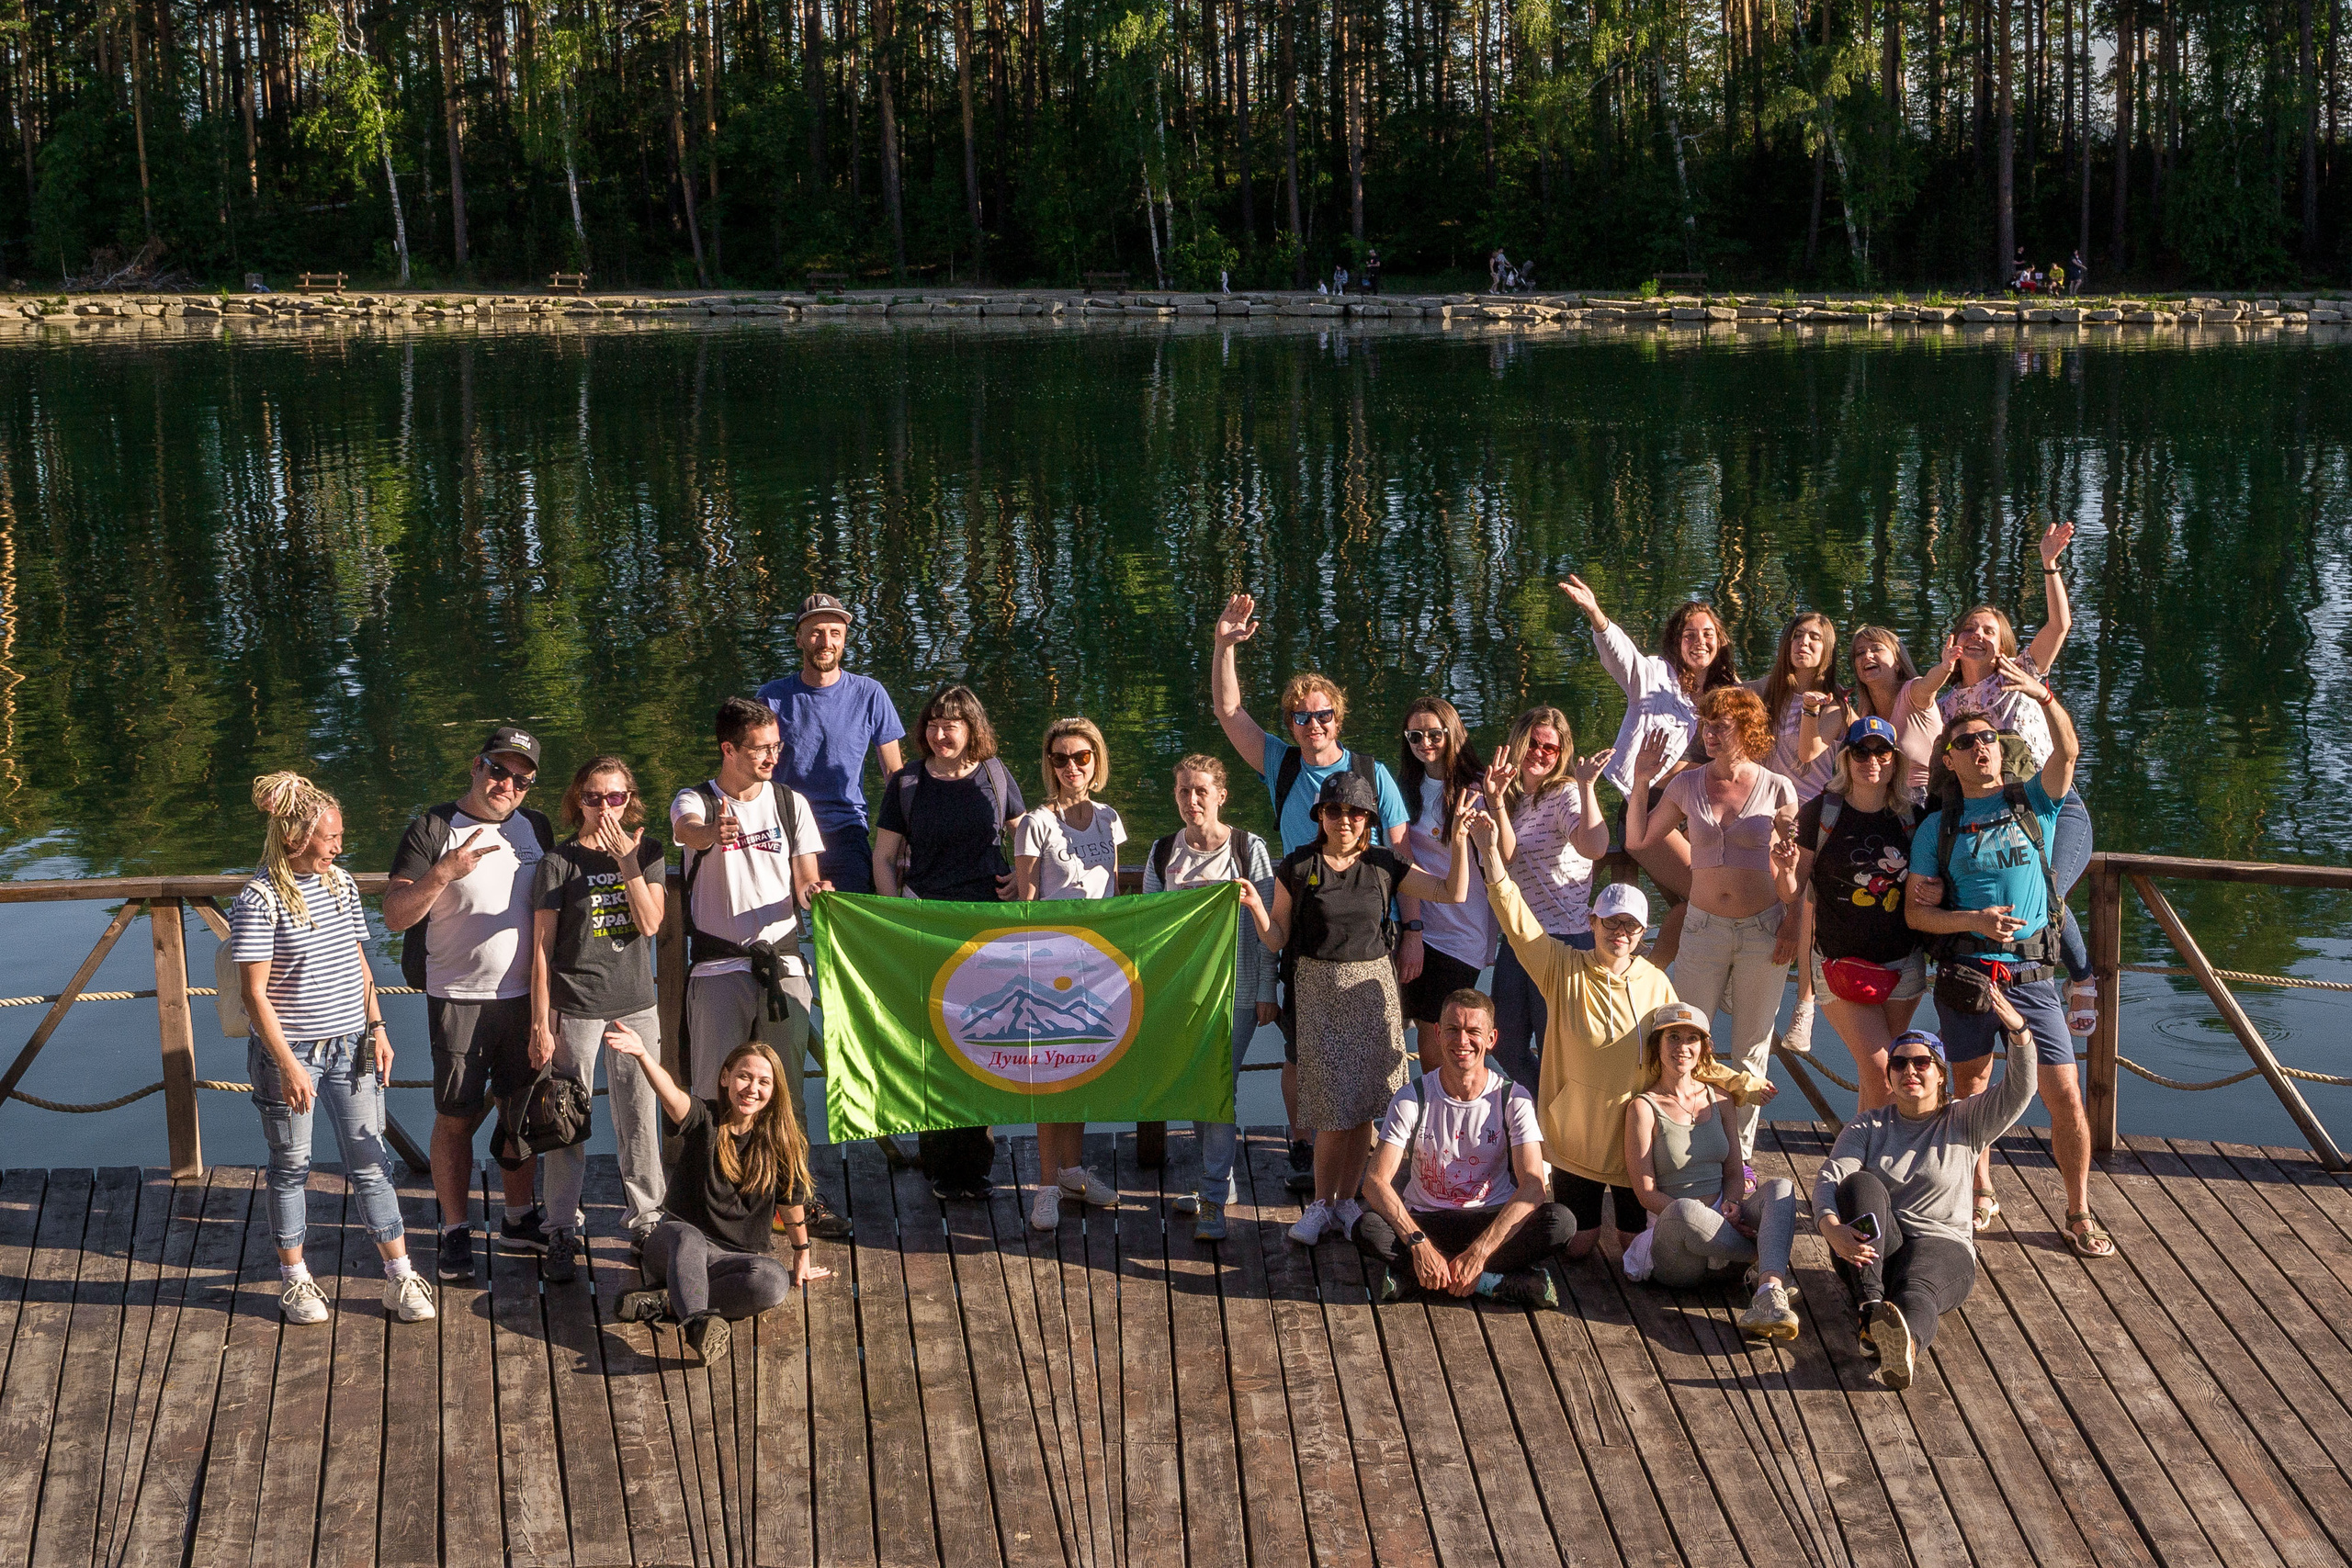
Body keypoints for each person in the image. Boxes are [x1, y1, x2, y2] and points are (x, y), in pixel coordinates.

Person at [1907, 683, 2114, 1257]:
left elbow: (2068, 753)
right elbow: (1916, 913)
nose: (1981, 748)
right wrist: (1971, 918)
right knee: (1972, 1092)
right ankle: (1981, 1191)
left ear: (2000, 748)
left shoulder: (2034, 804)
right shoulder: (1936, 829)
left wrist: (2043, 696)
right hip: (1967, 979)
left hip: (2033, 981)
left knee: (2066, 1097)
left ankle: (2077, 1210)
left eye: (1988, 739)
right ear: (1949, 759)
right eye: (1967, 742)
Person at [1211, 591, 1410, 1185]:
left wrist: (1412, 933)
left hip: (1369, 928)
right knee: (1301, 1048)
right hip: (1300, 918)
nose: (1314, 724)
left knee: (1370, 1047)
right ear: (1291, 723)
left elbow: (1400, 855)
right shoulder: (1283, 764)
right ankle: (1303, 1148)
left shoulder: (1372, 772)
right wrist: (1224, 644)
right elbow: (1228, 710)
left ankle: (1365, 1158)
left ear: (1338, 720)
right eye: (1302, 717)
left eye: (1323, 716)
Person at [1237, 773, 1477, 1247]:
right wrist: (1255, 908)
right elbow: (1277, 938)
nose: (1344, 821)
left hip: (1373, 989)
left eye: (1355, 812)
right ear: (1319, 816)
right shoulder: (1297, 865)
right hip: (1318, 990)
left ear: (1368, 818)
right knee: (1330, 1111)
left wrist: (1463, 840)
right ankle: (1319, 1205)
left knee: (1365, 1103)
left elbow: (1454, 892)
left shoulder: (1387, 864)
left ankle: (1346, 1201)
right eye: (1334, 811)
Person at [235, 773, 435, 1325]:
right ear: (297, 838)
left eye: (340, 835)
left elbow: (358, 962)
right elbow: (254, 993)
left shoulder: (341, 885)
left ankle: (399, 1276)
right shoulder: (259, 898)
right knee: (291, 1165)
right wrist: (287, 1063)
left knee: (371, 1161)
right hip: (290, 1050)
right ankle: (295, 1280)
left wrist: (379, 1026)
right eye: (330, 837)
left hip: (352, 1043)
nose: (339, 846)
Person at [1465, 803, 1682, 1261]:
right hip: (1574, 1142)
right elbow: (1518, 924)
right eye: (1610, 921)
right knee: (1577, 1248)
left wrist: (1735, 1084)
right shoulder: (1561, 969)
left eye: (1629, 925)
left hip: (1632, 1148)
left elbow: (1684, 1055)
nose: (1618, 932)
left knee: (1632, 1249)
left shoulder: (1658, 983)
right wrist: (1489, 856)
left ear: (1642, 932)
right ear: (1592, 922)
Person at [384, 725, 555, 1281]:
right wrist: (443, 872)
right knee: (456, 1116)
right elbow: (395, 914)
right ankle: (455, 1228)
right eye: (499, 770)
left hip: (526, 996)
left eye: (522, 779)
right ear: (475, 766)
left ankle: (518, 1215)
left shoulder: (537, 828)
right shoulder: (433, 827)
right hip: (457, 996)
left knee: (522, 1112)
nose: (508, 784)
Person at [670, 698, 847, 1237]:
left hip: (782, 964)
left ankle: (795, 1201)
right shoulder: (695, 798)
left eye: (776, 746)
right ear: (730, 749)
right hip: (718, 967)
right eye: (761, 748)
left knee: (785, 1091)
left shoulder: (791, 804)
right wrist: (711, 836)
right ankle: (710, 1202)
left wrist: (816, 891)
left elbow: (804, 881)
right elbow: (687, 831)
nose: (773, 755)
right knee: (713, 1093)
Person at [1814, 993, 2040, 1390]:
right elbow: (1832, 1177)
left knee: (1918, 1292)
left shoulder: (1965, 1120)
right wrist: (1830, 1227)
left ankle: (1904, 1348)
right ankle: (1871, 1307)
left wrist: (2019, 1033)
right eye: (1899, 1064)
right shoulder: (1869, 1127)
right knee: (1859, 1183)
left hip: (1941, 1244)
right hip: (1876, 1254)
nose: (1910, 1071)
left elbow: (2019, 1091)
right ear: (1889, 1077)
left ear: (1940, 1074)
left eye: (1922, 1063)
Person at [1926, 523, 2098, 1036]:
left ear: (2002, 642)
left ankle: (2083, 976)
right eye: (1968, 629)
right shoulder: (1947, 702)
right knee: (2000, 896)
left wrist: (2049, 563)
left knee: (2047, 890)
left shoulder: (2021, 672)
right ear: (1953, 641)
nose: (1977, 635)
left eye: (1988, 629)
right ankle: (2001, 991)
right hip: (1996, 818)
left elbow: (2060, 624)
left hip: (2053, 805)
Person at [1626, 686, 1802, 1163]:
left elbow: (1790, 877)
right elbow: (1638, 837)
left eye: (1720, 725)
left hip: (1762, 929)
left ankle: (1738, 1160)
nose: (1709, 734)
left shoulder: (1778, 788)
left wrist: (1791, 922)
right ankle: (1686, 1149)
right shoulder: (1686, 785)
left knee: (1750, 1048)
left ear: (1747, 730)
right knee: (1684, 1041)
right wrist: (1643, 780)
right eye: (1706, 725)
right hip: (1702, 929)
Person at [873, 684, 1025, 1199]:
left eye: (952, 724)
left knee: (983, 1040)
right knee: (936, 1046)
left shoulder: (995, 775)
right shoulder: (907, 782)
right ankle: (940, 1164)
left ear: (972, 729)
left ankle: (976, 1165)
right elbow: (884, 855)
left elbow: (1025, 835)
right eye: (934, 723)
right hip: (928, 926)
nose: (941, 733)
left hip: (987, 928)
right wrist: (897, 913)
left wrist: (1021, 881)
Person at [605, 1022, 831, 1367]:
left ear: (774, 1090)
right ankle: (697, 1324)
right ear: (725, 1078)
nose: (751, 1088)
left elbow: (791, 1203)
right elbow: (672, 1097)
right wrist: (642, 1055)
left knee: (772, 1282)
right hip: (673, 1247)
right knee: (687, 1237)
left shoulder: (782, 1143)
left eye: (763, 1081)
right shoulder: (706, 1119)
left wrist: (802, 1255)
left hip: (732, 1260)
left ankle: (667, 1303)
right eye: (744, 1077)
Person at [1555, 574, 1739, 969]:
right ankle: (1648, 980)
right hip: (1648, 809)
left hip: (1700, 819)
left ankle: (1653, 981)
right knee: (1705, 894)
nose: (1699, 641)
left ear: (1720, 641)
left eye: (1707, 633)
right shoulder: (1655, 677)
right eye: (1688, 634)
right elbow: (1622, 658)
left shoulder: (1732, 697)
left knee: (1699, 904)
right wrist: (1596, 614)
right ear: (1676, 642)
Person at [530, 755, 668, 1278]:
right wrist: (539, 1023)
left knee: (639, 1116)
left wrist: (626, 862)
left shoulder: (648, 851)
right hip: (576, 1005)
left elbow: (651, 922)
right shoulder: (558, 862)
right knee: (565, 1117)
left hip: (635, 1004)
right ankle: (562, 1226)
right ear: (578, 800)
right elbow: (542, 948)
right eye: (593, 797)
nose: (605, 807)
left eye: (615, 797)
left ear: (630, 799)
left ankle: (647, 1219)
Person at [1353, 989, 1574, 1307]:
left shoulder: (1513, 1098)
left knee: (1560, 1222)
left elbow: (1533, 1186)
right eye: (1453, 1030)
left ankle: (1423, 1278)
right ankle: (1495, 1283)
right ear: (1437, 1033)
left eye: (1473, 1032)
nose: (1462, 1041)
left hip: (1490, 1219)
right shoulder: (1411, 1096)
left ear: (1492, 1038)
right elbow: (1374, 1182)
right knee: (1366, 1227)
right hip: (1427, 1221)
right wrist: (1419, 1245)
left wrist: (1480, 1251)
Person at [1141, 754, 1278, 1242]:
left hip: (1237, 993)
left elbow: (1266, 926)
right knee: (1198, 1089)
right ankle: (1221, 1185)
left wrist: (1266, 989)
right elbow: (1151, 930)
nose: (1192, 800)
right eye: (1184, 791)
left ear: (1222, 795)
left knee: (1217, 1089)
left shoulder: (1248, 848)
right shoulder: (1162, 853)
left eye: (1201, 790)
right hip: (1184, 995)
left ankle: (1213, 1199)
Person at [1623, 1002, 1798, 1340]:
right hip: (1678, 1243)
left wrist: (1732, 1204)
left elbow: (1734, 1172)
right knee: (1686, 1210)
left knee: (1782, 1188)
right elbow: (1645, 1193)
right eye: (1673, 1037)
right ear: (1657, 1044)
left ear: (1704, 1047)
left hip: (1725, 1221)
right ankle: (1764, 1257)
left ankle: (1768, 1294)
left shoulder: (1720, 1099)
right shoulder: (1643, 1108)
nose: (1682, 1047)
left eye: (1693, 1039)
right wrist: (1711, 1220)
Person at [1016, 716, 1130, 1231]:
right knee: (1048, 1072)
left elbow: (1114, 892)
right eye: (1059, 758)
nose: (1070, 767)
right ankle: (1045, 1184)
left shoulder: (1110, 819)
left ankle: (1072, 1171)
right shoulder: (1034, 823)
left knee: (1081, 1065)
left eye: (1080, 757)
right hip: (1049, 960)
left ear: (1096, 761)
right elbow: (1027, 900)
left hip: (1097, 961)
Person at [1793, 719, 1927, 1112]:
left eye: (1882, 752)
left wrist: (1933, 890)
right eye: (1861, 752)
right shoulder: (1821, 812)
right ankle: (1868, 1168)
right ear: (1846, 759)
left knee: (1876, 1081)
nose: (1872, 761)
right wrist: (1784, 873)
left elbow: (1931, 877)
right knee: (1886, 1075)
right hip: (1839, 963)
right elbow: (1793, 890)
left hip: (1903, 964)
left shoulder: (1913, 815)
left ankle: (1855, 1167)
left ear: (1895, 760)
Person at [1477, 712, 1611, 1088]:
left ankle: (1559, 1130)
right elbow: (1506, 855)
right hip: (1519, 938)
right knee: (1503, 1044)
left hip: (1563, 939)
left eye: (1549, 747)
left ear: (1561, 752)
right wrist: (1496, 800)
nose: (1539, 753)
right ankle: (1543, 1113)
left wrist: (1586, 787)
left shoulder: (1563, 794)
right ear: (1518, 744)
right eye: (1533, 744)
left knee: (1559, 1047)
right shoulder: (1515, 797)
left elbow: (1595, 846)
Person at [756, 592, 907, 896]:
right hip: (784, 828)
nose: (826, 642)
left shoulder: (870, 694)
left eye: (835, 633)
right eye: (816, 633)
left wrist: (905, 839)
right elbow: (753, 769)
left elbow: (894, 774)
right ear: (799, 639)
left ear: (844, 640)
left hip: (845, 829)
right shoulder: (771, 697)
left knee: (853, 921)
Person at [1749, 612, 1846, 1056]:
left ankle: (1804, 1002)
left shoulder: (1836, 705)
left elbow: (1810, 752)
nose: (1804, 643)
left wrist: (1811, 706)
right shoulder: (1765, 693)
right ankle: (1741, 980)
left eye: (1814, 638)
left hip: (1817, 809)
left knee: (1801, 897)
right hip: (1770, 808)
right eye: (1797, 635)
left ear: (1827, 650)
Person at [1396, 699, 1499, 1073]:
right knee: (1427, 1027)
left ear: (1452, 734)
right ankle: (1433, 1112)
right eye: (1416, 735)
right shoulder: (1404, 789)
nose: (1426, 742)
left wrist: (1497, 801)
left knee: (1451, 1028)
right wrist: (1411, 930)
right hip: (1420, 927)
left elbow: (1501, 853)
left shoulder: (1477, 789)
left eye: (1435, 734)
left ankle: (1457, 1110)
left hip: (1463, 931)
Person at [1845, 625, 1942, 797]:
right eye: (1860, 653)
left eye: (1877, 649)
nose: (1867, 655)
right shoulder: (1866, 714)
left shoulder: (1912, 694)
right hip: (1888, 795)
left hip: (1928, 794)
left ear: (1897, 663)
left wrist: (1946, 666)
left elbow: (1930, 685)